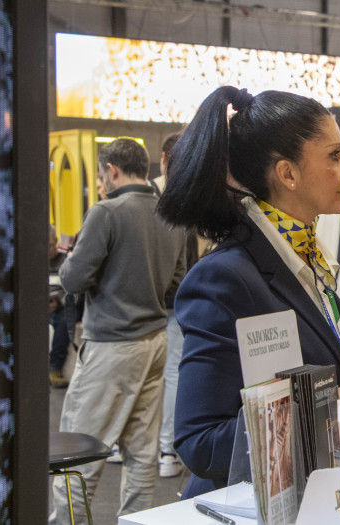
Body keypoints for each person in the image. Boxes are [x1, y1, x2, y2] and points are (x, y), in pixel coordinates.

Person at [156, 87, 340, 499]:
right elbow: (201, 443)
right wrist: (338, 407)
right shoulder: (225, 279)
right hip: (253, 505)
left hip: (317, 497)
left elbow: (319, 383)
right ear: (288, 174)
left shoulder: (306, 260)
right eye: (335, 155)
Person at [51, 138, 191, 523]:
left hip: (111, 346)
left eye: (100, 176)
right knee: (142, 455)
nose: (99, 184)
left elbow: (72, 280)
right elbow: (178, 282)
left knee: (75, 453)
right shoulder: (171, 214)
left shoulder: (105, 212)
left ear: (112, 170)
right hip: (155, 342)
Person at [149, 131, 189, 478]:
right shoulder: (197, 195)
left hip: (163, 301)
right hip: (178, 299)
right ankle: (165, 450)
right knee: (171, 372)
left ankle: (164, 450)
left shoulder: (156, 197)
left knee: (165, 374)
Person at [48, 224, 71, 388]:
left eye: (48, 245)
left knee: (64, 319)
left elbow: (73, 288)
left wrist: (58, 300)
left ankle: (55, 367)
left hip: (61, 306)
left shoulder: (66, 261)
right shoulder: (32, 263)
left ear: (56, 241)